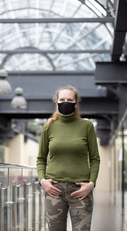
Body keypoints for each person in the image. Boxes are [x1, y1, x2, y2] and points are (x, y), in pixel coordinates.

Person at [36, 85, 100, 231]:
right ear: (56, 102)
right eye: (62, 99)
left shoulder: (87, 126)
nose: (65, 102)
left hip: (81, 190)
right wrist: (42, 181)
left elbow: (95, 158)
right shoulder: (48, 127)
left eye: (69, 99)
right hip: (54, 190)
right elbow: (41, 158)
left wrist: (91, 184)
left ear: (76, 103)